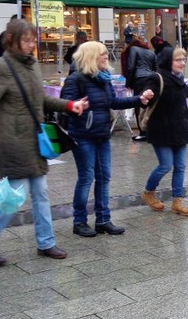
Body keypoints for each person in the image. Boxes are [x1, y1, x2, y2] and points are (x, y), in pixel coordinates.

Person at [0, 19, 88, 266]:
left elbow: (41, 99)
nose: (31, 44)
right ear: (11, 40)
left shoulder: (32, 65)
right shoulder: (1, 66)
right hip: (12, 142)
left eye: (32, 39)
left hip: (33, 142)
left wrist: (68, 105)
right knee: (13, 197)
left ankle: (46, 243)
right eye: (26, 40)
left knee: (41, 194)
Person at [62, 41, 152, 237]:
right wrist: (75, 106)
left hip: (102, 135)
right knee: (86, 178)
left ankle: (103, 220)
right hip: (83, 137)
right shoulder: (75, 79)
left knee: (104, 177)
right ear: (91, 57)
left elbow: (114, 102)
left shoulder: (103, 78)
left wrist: (139, 99)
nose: (106, 57)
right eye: (102, 54)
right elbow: (64, 108)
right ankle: (80, 222)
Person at [140, 47, 188, 215]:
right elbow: (145, 97)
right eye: (178, 60)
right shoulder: (156, 78)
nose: (182, 63)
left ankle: (177, 202)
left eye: (183, 59)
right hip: (161, 130)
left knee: (180, 166)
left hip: (179, 129)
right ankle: (148, 192)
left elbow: (185, 92)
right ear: (167, 61)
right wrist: (147, 95)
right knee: (165, 165)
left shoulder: (178, 79)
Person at [121, 34, 157, 141]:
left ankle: (142, 131)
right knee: (150, 104)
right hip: (150, 78)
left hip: (139, 79)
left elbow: (130, 66)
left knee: (139, 103)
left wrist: (128, 83)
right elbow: (156, 67)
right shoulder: (151, 52)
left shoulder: (133, 49)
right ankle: (150, 130)